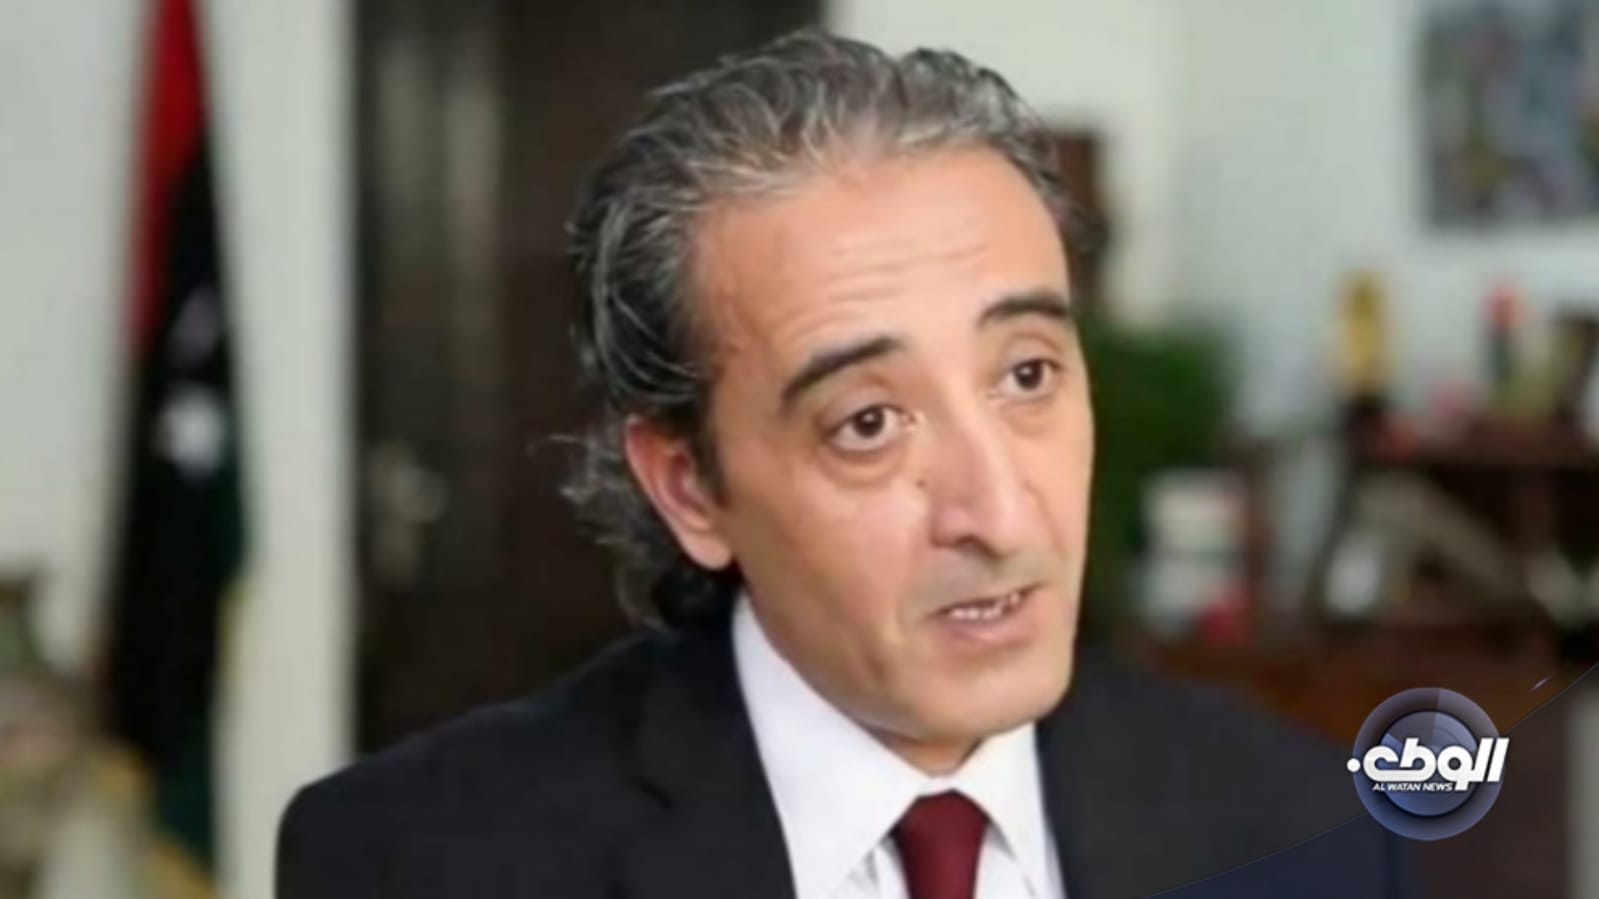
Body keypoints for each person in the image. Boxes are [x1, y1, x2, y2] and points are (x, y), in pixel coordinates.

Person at [277, 30, 1414, 899]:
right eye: (868, 423)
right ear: (689, 485)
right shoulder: (419, 859)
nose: (1000, 511)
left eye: (1026, 375)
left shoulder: (1303, 823)